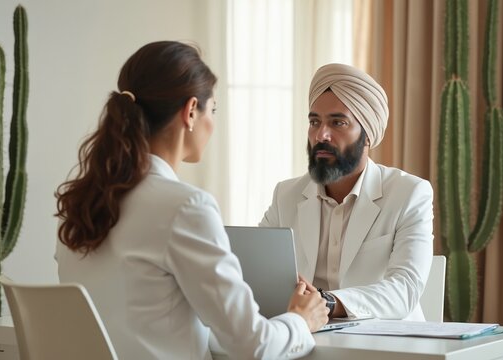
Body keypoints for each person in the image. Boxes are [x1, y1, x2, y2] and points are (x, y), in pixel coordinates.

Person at [55, 41, 328, 360]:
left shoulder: (81, 202)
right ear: (190, 111)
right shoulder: (185, 207)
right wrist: (300, 319)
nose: (212, 123)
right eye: (213, 110)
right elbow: (252, 345)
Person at [260, 63, 434, 321]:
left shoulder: (409, 193)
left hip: (388, 345)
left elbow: (404, 290)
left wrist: (326, 303)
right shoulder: (285, 195)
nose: (322, 135)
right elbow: (255, 271)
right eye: (314, 121)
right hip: (304, 341)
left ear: (367, 136)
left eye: (338, 122)